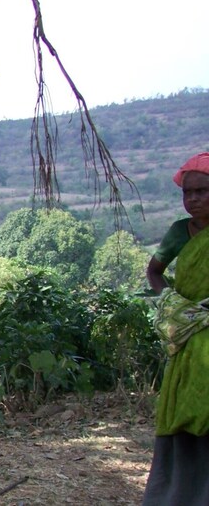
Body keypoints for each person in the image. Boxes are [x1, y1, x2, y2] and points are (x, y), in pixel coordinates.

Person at [142, 152, 209, 505]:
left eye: (202, 191)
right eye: (187, 192)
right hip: (187, 336)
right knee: (186, 408)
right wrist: (172, 304)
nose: (193, 199)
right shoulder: (179, 233)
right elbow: (154, 272)